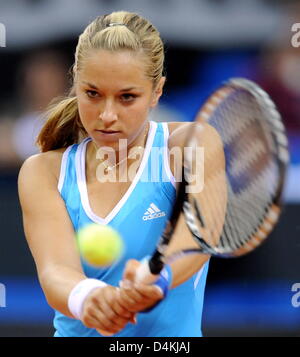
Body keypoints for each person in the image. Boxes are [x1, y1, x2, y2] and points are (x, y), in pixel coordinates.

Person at [18, 11, 214, 337]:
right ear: (76, 85)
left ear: (157, 92)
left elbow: (197, 236)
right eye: (92, 94)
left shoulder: (190, 144)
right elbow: (56, 271)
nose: (107, 115)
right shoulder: (41, 171)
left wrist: (156, 276)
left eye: (127, 97)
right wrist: (89, 298)